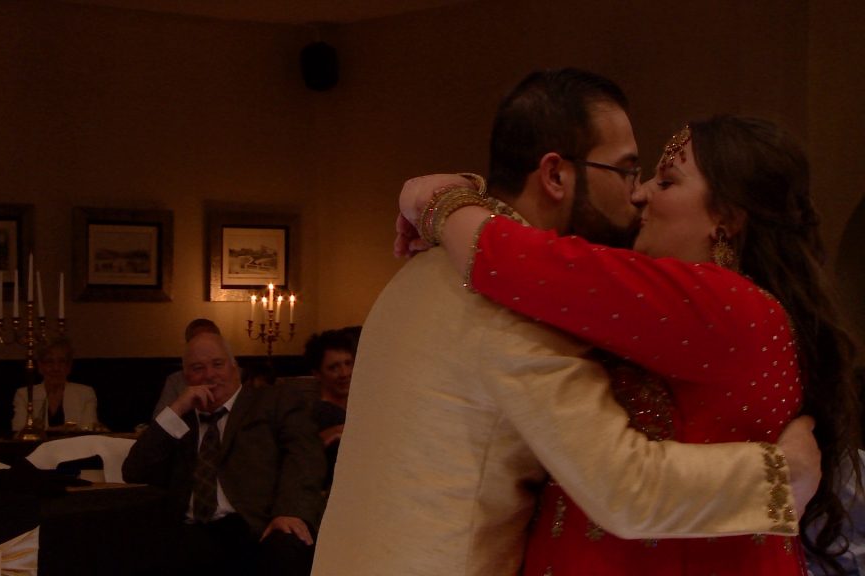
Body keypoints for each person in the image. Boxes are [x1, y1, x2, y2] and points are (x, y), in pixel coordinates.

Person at [312, 69, 822, 576]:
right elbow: (624, 488)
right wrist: (782, 477)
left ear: (728, 216)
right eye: (627, 171)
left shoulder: (419, 271)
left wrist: (440, 200)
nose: (639, 192)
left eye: (661, 179)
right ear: (556, 175)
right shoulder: (516, 305)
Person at [122, 332, 326, 576]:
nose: (209, 375)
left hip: (254, 525)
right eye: (198, 368)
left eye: (217, 364)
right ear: (187, 377)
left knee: (288, 548)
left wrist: (290, 511)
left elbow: (305, 457)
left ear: (234, 368)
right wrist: (176, 408)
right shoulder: (180, 421)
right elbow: (134, 471)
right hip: (190, 530)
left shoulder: (272, 402)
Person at [303, 329, 356, 489]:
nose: (345, 373)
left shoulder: (363, 407)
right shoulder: (319, 415)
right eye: (334, 367)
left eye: (348, 363)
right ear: (317, 374)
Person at [12, 338, 98, 431]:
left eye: (61, 361)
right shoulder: (24, 395)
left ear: (69, 366)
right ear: (40, 366)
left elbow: (89, 429)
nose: (56, 368)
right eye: (50, 362)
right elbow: (19, 430)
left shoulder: (85, 394)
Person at [153, 318, 222, 416]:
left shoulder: (237, 375)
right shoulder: (175, 381)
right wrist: (180, 405)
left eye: (211, 341)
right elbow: (158, 425)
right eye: (198, 342)